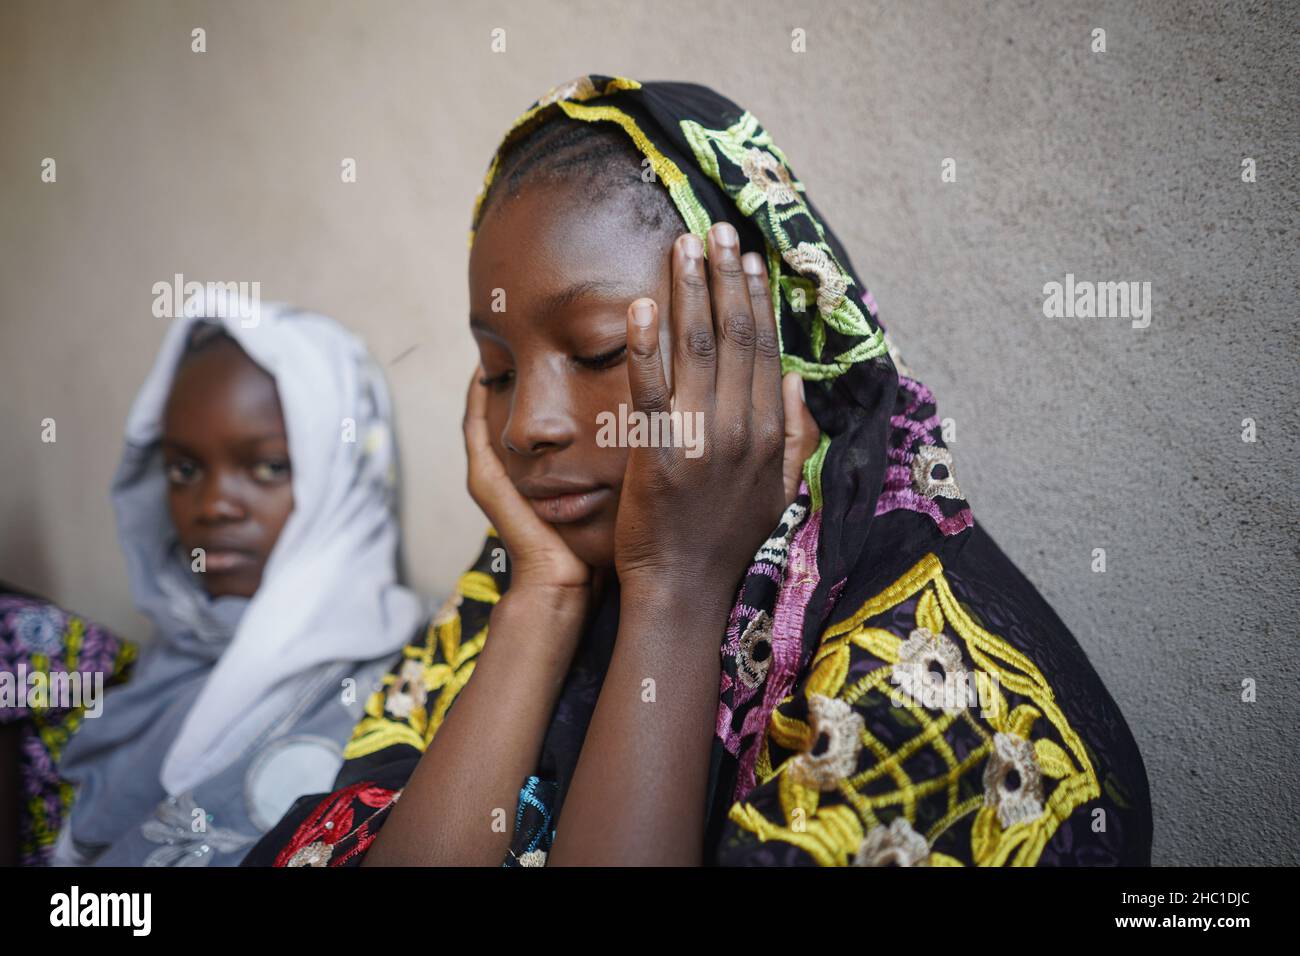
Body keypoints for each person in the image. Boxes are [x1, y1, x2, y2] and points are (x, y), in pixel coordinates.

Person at [243, 75, 1153, 867]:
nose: (526, 426)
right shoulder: (511, 589)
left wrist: (674, 591)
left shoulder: (951, 694)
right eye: (498, 371)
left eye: (601, 351)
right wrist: (545, 599)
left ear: (769, 348)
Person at [1, 293, 425, 865]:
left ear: (343, 473)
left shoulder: (413, 683)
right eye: (185, 469)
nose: (214, 505)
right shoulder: (172, 656)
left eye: (269, 466)